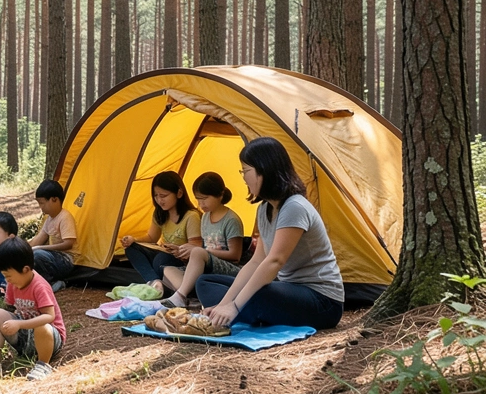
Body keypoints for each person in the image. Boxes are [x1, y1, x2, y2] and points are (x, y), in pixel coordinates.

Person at [199, 137, 345, 330]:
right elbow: (257, 261)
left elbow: (275, 261)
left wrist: (235, 304)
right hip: (289, 291)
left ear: (264, 170)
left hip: (323, 301)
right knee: (205, 282)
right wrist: (224, 304)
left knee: (257, 294)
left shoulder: (294, 207)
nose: (243, 177)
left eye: (246, 171)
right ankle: (244, 312)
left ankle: (245, 312)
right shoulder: (264, 209)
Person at [0, 237, 66, 381]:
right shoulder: (13, 284)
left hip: (49, 340)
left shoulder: (39, 286)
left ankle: (43, 365)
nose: (7, 280)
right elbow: (10, 308)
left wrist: (19, 324)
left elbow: (49, 317)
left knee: (42, 326)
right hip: (27, 339)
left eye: (9, 276)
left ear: (25, 270)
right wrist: (11, 322)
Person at [161, 172, 246, 307]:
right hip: (208, 264)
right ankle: (191, 292)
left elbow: (235, 255)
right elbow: (202, 250)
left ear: (220, 195)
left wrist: (200, 251)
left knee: (197, 253)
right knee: (168, 270)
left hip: (230, 268)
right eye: (198, 199)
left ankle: (181, 295)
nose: (201, 204)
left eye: (205, 198)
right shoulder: (205, 217)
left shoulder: (231, 220)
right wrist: (183, 251)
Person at [119, 171, 203, 296]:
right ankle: (155, 281)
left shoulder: (191, 216)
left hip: (181, 261)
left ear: (179, 193)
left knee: (161, 258)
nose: (159, 200)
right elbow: (152, 238)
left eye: (163, 196)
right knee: (132, 249)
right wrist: (133, 240)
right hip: (164, 254)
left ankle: (162, 284)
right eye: (156, 196)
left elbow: (196, 247)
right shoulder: (160, 213)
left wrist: (178, 249)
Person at [26, 179, 78, 291]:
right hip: (53, 258)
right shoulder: (49, 219)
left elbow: (68, 244)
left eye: (42, 203)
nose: (41, 207)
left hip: (66, 261)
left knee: (38, 255)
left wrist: (41, 248)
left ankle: (50, 284)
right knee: (30, 254)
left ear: (54, 199)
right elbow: (38, 240)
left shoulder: (65, 217)